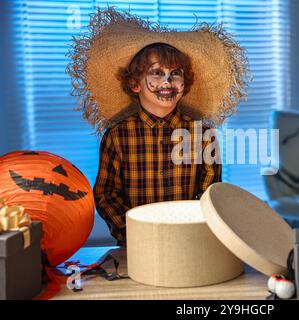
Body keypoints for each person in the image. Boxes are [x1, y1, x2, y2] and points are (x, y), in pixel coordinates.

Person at [67, 7, 251, 245]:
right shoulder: (118, 136)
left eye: (175, 73)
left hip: (189, 241)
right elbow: (106, 195)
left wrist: (189, 230)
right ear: (135, 84)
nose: (167, 81)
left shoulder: (203, 135)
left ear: (185, 84)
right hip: (136, 245)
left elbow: (207, 196)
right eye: (156, 73)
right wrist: (134, 233)